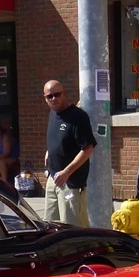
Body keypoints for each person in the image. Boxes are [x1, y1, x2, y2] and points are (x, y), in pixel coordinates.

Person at [42, 79, 97, 226]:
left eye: (57, 94)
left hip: (71, 183)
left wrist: (66, 172)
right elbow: (60, 140)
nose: (54, 99)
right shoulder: (53, 114)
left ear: (64, 94)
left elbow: (88, 148)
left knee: (72, 229)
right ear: (45, 99)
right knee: (50, 226)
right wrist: (49, 151)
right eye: (50, 96)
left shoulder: (78, 117)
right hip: (53, 180)